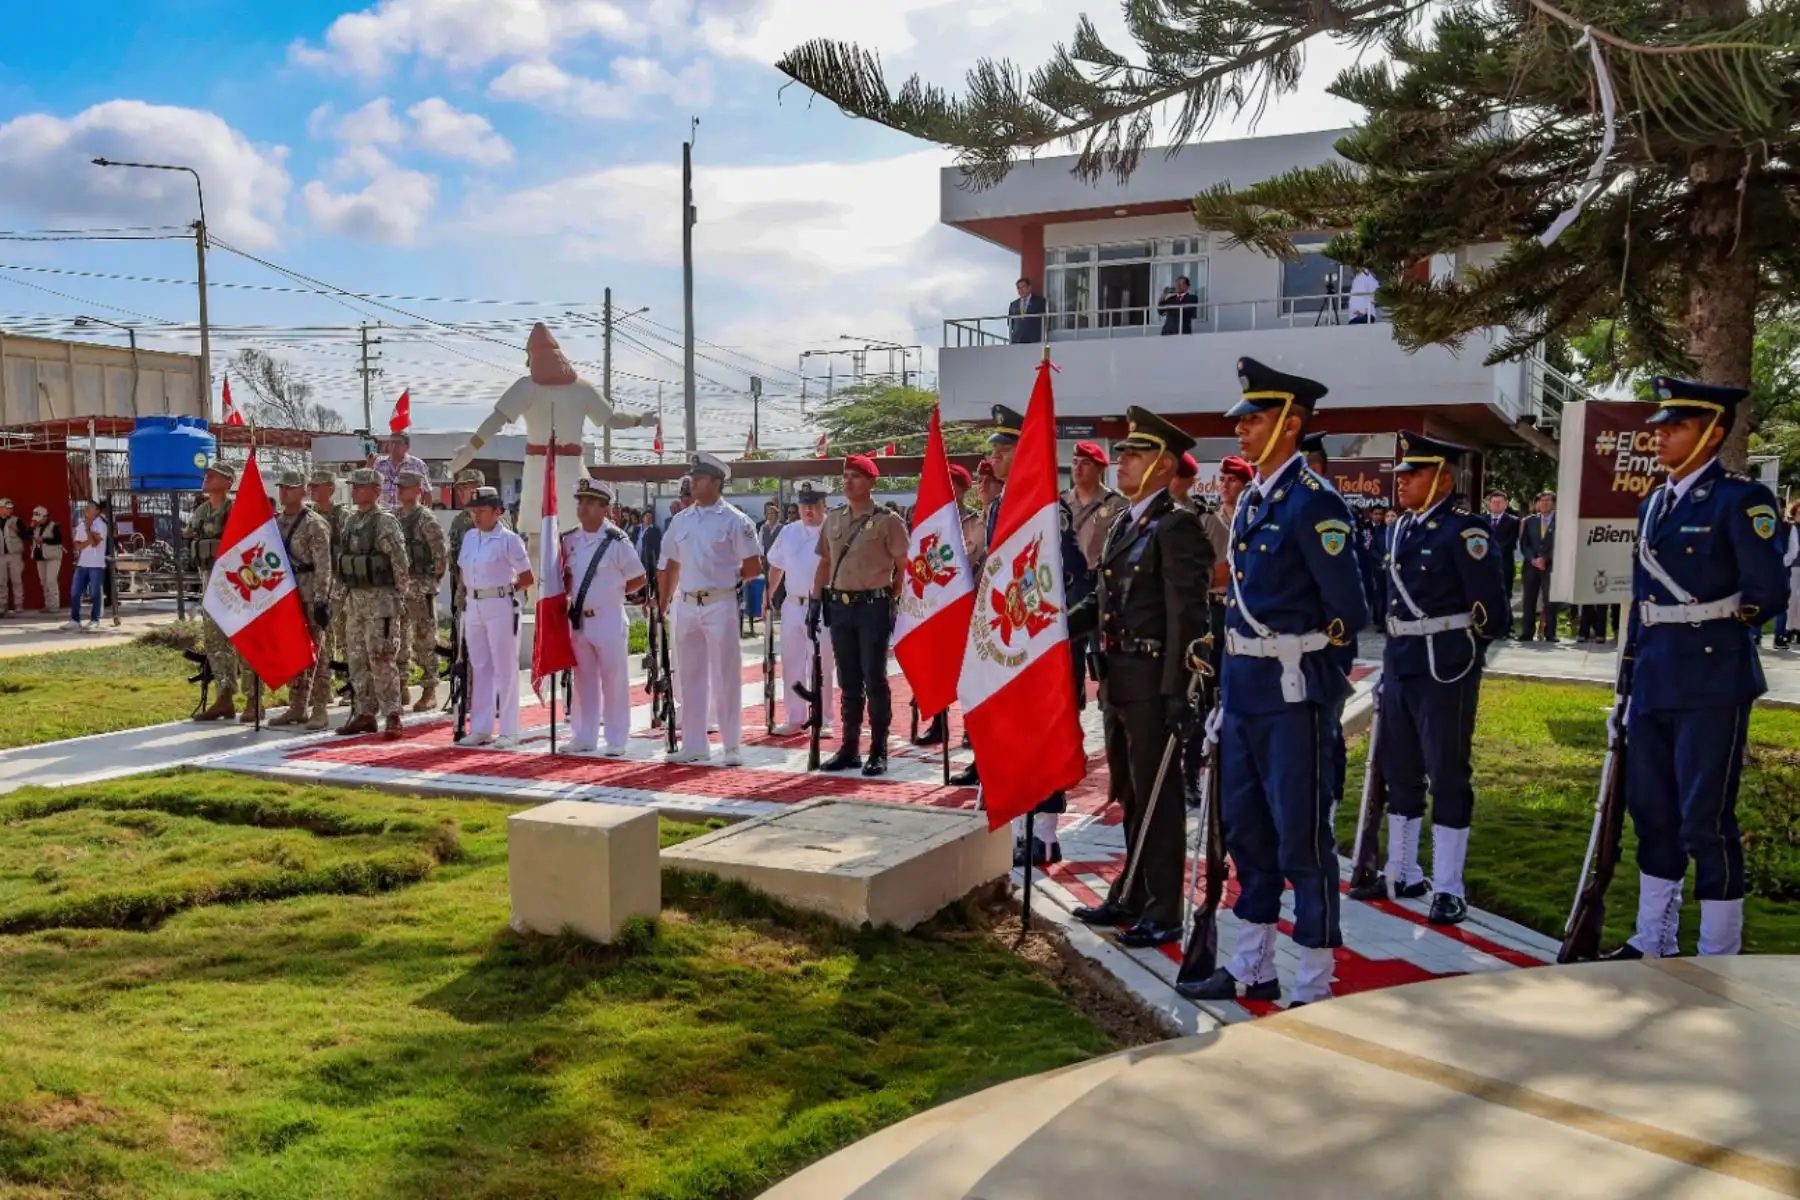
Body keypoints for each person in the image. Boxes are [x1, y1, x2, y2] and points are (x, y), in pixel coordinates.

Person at [1182, 357, 1368, 1008]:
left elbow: (1349, 613)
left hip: (1292, 701)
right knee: (1249, 836)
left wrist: (1310, 677)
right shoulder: (1257, 502)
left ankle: (1314, 978)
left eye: (1255, 420)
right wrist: (1230, 696)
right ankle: (1252, 965)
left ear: (1291, 424)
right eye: (1243, 420)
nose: (1242, 431)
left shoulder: (1314, 505)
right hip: (1247, 698)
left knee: (1302, 840)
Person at [1607, 377, 1788, 961]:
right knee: (1652, 813)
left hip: (1712, 677)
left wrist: (1718, 620)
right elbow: (1643, 602)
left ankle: (1718, 954)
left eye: (1674, 427)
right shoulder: (1653, 502)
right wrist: (1628, 680)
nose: (1657, 436)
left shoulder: (1741, 500)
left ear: (1711, 434)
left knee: (1704, 820)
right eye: (1658, 427)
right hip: (1657, 674)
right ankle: (1652, 938)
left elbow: (1769, 588)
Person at [1348, 433, 1509, 925]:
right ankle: (1403, 870)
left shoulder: (1466, 531)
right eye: (1401, 475)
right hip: (1402, 661)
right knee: (1400, 770)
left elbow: (1494, 614)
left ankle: (1449, 885)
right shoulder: (1400, 531)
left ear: (1443, 478)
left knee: (1447, 772)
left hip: (1445, 666)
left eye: (1413, 475)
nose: (1402, 483)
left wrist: (1459, 651)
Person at [1067, 407, 1213, 947]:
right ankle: (1131, 892)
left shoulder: (1177, 528)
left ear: (1163, 464)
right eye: (1123, 452)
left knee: (1159, 796)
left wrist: (1181, 691)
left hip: (1154, 681)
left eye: (1133, 453)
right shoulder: (1127, 522)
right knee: (1130, 792)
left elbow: (1188, 617)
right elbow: (1103, 599)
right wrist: (1062, 625)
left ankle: (1164, 908)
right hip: (1119, 679)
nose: (1122, 461)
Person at [810, 453, 911, 777]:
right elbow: (825, 563)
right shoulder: (834, 518)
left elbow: (903, 567)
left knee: (874, 677)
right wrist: (815, 602)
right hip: (839, 606)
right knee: (848, 679)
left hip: (873, 606)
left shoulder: (887, 520)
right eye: (845, 475)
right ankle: (849, 748)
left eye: (855, 476)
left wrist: (890, 598)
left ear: (871, 482)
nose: (847, 481)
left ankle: (878, 750)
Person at [659, 454, 763, 764]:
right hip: (687, 603)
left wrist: (728, 581)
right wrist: (663, 603)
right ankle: (694, 744)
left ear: (716, 483)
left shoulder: (735, 520)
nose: (693, 482)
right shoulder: (681, 520)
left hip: (720, 603)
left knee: (725, 675)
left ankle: (731, 745)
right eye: (692, 477)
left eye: (700, 477)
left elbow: (753, 566)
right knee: (689, 676)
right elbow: (671, 565)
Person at [564, 478, 646, 755]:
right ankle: (584, 736)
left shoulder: (616, 541)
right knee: (583, 680)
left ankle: (616, 738)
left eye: (590, 503)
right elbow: (566, 577)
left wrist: (614, 592)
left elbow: (638, 578)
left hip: (608, 617)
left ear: (604, 509)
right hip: (579, 620)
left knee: (614, 680)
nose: (583, 508)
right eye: (581, 502)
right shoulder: (570, 539)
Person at [335, 468, 412, 741]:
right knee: (356, 660)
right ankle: (365, 713)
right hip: (355, 602)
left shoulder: (385, 522)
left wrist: (400, 598)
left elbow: (400, 562)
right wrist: (339, 598)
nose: (355, 490)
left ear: (376, 490)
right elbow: (344, 562)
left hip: (381, 602)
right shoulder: (350, 521)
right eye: (353, 486)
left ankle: (393, 715)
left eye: (361, 486)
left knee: (382, 659)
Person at [453, 487, 531, 746]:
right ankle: (481, 728)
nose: (476, 515)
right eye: (473, 511)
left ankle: (509, 730)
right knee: (480, 666)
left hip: (500, 603)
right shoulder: (470, 537)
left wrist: (506, 591)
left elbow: (526, 576)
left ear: (497, 511)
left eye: (482, 511)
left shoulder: (508, 539)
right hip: (473, 605)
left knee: (505, 667)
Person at [767, 483, 836, 737]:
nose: (807, 510)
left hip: (824, 605)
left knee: (822, 664)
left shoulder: (834, 529)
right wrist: (769, 593)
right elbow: (776, 566)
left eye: (812, 505)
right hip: (793, 605)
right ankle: (795, 717)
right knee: (792, 663)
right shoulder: (789, 532)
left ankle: (824, 717)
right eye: (803, 505)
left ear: (823, 505)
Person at [270, 470, 335, 730]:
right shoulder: (273, 523)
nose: (284, 491)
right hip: (286, 595)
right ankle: (297, 705)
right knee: (292, 650)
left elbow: (324, 565)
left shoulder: (314, 523)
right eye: (282, 487)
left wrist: (321, 600)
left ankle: (320, 707)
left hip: (310, 594)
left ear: (303, 491)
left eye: (290, 487)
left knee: (317, 652)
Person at [186, 463, 245, 720]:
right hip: (209, 586)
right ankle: (224, 697)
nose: (206, 478)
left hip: (235, 588)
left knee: (243, 643)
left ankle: (255, 698)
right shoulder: (201, 510)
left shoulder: (236, 510)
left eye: (213, 475)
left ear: (228, 482)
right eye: (206, 474)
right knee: (215, 642)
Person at [395, 471, 448, 712]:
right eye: (399, 487)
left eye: (405, 487)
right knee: (398, 638)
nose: (400, 491)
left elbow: (440, 557)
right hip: (398, 588)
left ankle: (429, 690)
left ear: (417, 489)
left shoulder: (426, 519)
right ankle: (402, 686)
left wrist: (429, 584)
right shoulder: (393, 517)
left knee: (425, 639)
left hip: (421, 587)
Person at [307, 470, 350, 712]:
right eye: (311, 485)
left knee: (346, 637)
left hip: (340, 582)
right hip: (316, 582)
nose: (313, 489)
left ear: (331, 489)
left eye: (318, 485)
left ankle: (350, 686)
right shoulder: (308, 515)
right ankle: (325, 687)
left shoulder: (341, 516)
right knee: (324, 637)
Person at [1519, 490, 1559, 641]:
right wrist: (1533, 559)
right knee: (1529, 599)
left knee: (1550, 600)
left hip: (1551, 565)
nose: (1544, 503)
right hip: (1531, 566)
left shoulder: (1560, 521)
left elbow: (1560, 543)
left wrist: (1546, 558)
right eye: (1541, 500)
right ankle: (1527, 632)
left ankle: (1550, 633)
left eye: (1548, 500)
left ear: (1554, 503)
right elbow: (1524, 544)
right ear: (1536, 504)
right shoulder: (1530, 521)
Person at [65, 498, 108, 633]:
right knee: (76, 592)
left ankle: (95, 620)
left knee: (95, 593)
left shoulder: (101, 525)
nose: (86, 511)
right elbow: (77, 545)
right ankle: (75, 620)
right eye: (86, 508)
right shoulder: (80, 524)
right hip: (82, 563)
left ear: (97, 511)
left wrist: (88, 530)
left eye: (89, 508)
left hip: (96, 564)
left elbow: (95, 543)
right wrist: (87, 541)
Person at [1484, 490, 1522, 638]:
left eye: (1500, 502)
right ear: (1488, 504)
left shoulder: (1513, 521)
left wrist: (1492, 552)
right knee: (1486, 595)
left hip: (1503, 564)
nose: (1496, 504)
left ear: (1506, 504)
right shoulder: (1482, 520)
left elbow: (1510, 543)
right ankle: (1487, 626)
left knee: (1504, 596)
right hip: (1484, 566)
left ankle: (1505, 627)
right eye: (1493, 502)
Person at [369, 431, 429, 508]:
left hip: (408, 514)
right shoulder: (379, 463)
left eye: (398, 443)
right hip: (384, 515)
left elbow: (427, 493)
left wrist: (425, 515)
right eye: (391, 443)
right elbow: (370, 489)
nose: (394, 446)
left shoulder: (417, 464)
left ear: (407, 446)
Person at [29, 504, 64, 614]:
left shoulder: (54, 526)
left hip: (53, 556)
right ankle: (48, 605)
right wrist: (31, 527)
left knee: (51, 580)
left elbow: (58, 540)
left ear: (46, 517)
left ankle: (54, 605)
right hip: (40, 556)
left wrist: (44, 540)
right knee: (43, 581)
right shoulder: (36, 527)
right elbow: (26, 535)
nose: (38, 521)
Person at [0, 497, 23, 616]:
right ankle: (2, 606)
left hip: (14, 555)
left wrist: (17, 530)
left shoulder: (16, 520)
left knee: (16, 580)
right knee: (1, 581)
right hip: (0, 556)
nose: (10, 510)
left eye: (11, 508)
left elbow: (25, 534)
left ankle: (18, 605)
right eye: (7, 508)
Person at [1008, 277, 1046, 344]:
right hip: (1017, 340)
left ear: (1029, 287)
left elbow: (1045, 320)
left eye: (1023, 287)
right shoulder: (1013, 304)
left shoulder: (1040, 301)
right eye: (1018, 288)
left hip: (1034, 340)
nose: (1021, 290)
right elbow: (1010, 322)